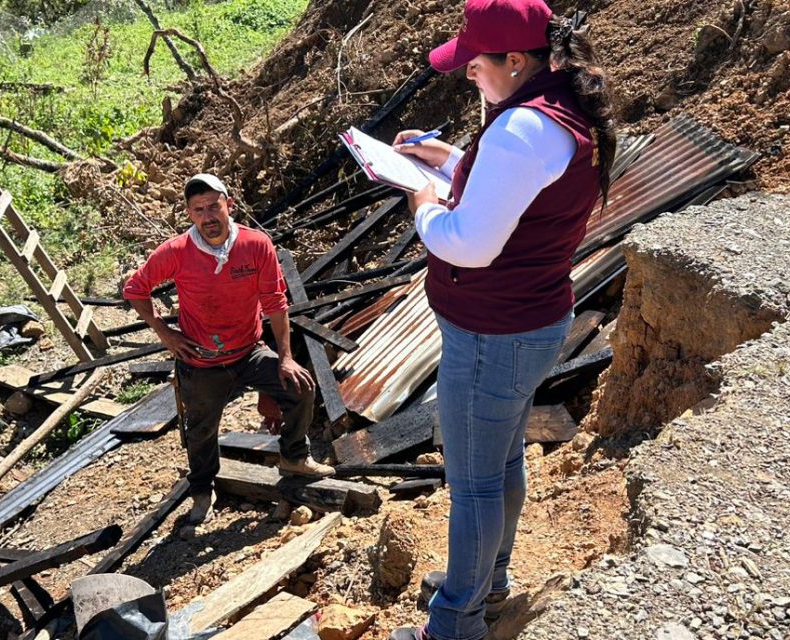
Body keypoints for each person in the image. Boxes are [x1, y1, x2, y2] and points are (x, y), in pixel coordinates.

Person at [387, 1, 616, 639]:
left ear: (515, 60)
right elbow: (512, 183)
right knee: (501, 466)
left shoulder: (520, 129)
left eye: (475, 62)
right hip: (529, 322)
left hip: (493, 335)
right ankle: (488, 581)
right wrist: (448, 157)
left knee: (473, 485)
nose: (468, 73)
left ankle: (456, 621)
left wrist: (423, 203)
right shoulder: (558, 106)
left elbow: (469, 243)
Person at [123, 173, 335, 526]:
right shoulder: (176, 252)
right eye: (198, 209)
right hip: (201, 360)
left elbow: (276, 303)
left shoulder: (256, 245)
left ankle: (294, 456)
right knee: (201, 431)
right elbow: (135, 289)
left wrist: (285, 357)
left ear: (229, 205)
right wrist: (165, 333)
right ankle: (203, 490)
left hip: (249, 351)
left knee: (300, 386)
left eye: (213, 206)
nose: (208, 216)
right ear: (189, 214)